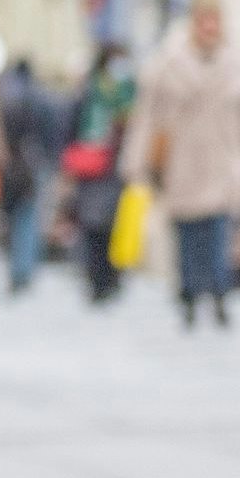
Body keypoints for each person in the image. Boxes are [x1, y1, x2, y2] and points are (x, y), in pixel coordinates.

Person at [131, 0, 240, 330]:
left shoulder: (239, 67)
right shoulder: (167, 65)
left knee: (218, 234)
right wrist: (138, 164)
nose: (209, 27)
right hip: (183, 166)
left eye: (214, 20)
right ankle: (188, 295)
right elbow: (148, 118)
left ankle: (218, 294)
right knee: (187, 235)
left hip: (224, 164)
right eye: (203, 20)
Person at [64, 43, 139, 307]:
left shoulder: (130, 91)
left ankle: (112, 278)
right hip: (91, 166)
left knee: (114, 225)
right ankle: (95, 279)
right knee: (92, 225)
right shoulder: (89, 90)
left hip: (117, 167)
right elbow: (73, 126)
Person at [0, 50, 72, 294]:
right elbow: (55, 133)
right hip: (36, 163)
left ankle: (17, 268)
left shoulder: (4, 96)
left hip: (9, 163)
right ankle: (25, 268)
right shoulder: (43, 97)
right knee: (29, 216)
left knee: (11, 217)